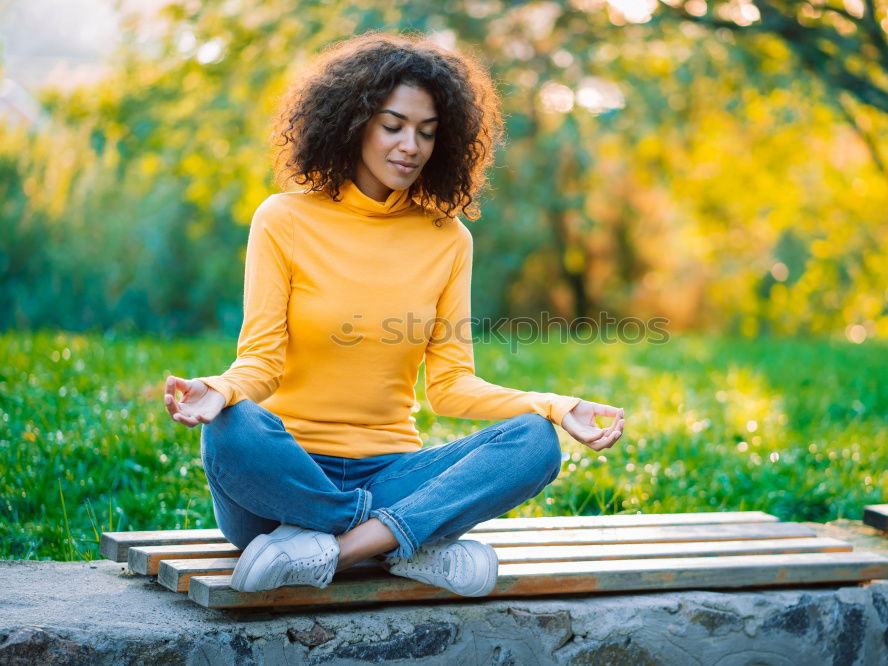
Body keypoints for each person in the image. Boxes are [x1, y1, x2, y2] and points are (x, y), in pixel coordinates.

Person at [162, 32, 625, 597]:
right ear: (353, 122)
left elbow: (452, 387)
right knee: (230, 428)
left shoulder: (447, 239)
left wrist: (557, 406)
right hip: (284, 481)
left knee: (535, 442)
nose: (411, 145)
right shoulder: (282, 219)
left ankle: (338, 549)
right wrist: (218, 389)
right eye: (394, 125)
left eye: (427, 133)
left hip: (391, 474)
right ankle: (403, 541)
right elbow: (262, 362)